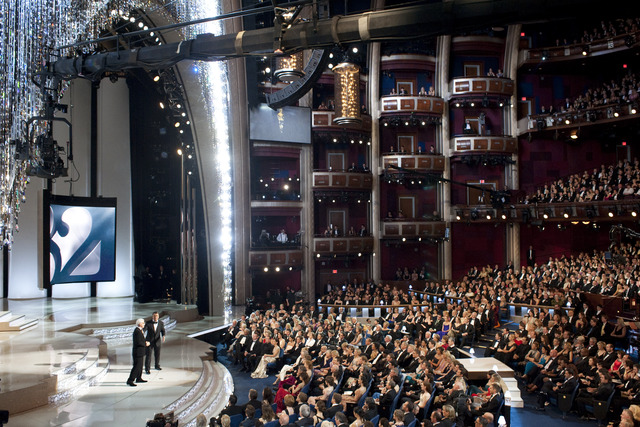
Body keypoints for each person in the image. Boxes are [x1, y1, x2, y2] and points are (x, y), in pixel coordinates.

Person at [127, 318, 150, 386]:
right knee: (136, 366)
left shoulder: (140, 330)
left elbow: (141, 340)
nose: (144, 324)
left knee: (140, 366)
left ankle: (139, 378)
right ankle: (130, 380)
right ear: (139, 324)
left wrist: (144, 342)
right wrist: (145, 344)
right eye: (143, 323)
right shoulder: (137, 331)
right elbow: (139, 342)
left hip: (140, 351)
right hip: (137, 352)